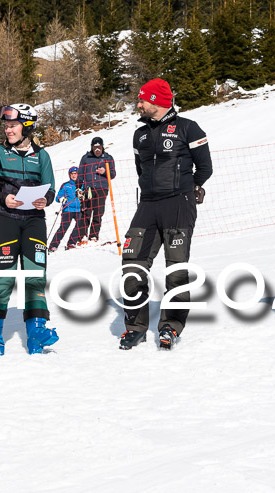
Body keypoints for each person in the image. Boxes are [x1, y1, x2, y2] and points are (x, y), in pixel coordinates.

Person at [120, 78, 212, 351]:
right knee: (131, 264)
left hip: (178, 204)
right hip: (147, 205)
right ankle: (135, 327)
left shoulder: (188, 128)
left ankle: (170, 326)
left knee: (175, 270)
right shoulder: (140, 134)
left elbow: (204, 168)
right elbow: (141, 169)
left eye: (142, 100)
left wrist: (188, 188)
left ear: (158, 102)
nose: (138, 104)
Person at [0, 103, 59, 356]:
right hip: (5, 218)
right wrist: (4, 198)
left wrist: (45, 199)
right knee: (6, 276)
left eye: (13, 125)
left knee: (35, 276)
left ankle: (36, 331)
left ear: (27, 127)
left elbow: (51, 189)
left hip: (33, 220)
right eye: (6, 126)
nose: (8, 130)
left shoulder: (42, 156)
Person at [76, 137, 116, 243]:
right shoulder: (86, 158)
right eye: (95, 148)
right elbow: (80, 174)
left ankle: (93, 235)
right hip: (88, 189)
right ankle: (82, 236)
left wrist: (105, 171)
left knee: (98, 212)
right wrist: (78, 188)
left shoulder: (108, 158)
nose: (97, 150)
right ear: (92, 148)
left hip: (102, 188)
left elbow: (113, 174)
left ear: (102, 147)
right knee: (86, 211)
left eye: (99, 147)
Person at [48, 166, 83, 252]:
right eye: (72, 174)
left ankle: (71, 243)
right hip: (68, 209)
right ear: (69, 175)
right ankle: (53, 245)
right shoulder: (65, 185)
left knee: (80, 225)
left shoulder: (82, 184)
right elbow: (57, 197)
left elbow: (86, 194)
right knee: (64, 227)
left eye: (76, 173)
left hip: (79, 210)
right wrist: (62, 199)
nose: (74, 175)